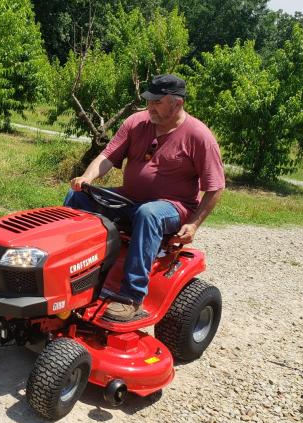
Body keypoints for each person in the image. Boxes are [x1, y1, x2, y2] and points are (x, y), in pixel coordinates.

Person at [65, 73, 225, 322]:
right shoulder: (136, 122)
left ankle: (131, 298)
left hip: (173, 206)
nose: (150, 106)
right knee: (78, 197)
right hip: (130, 198)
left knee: (148, 213)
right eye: (149, 100)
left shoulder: (199, 136)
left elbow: (215, 186)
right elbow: (108, 156)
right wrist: (87, 178)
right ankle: (68, 271)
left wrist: (193, 224)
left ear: (177, 103)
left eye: (157, 102)